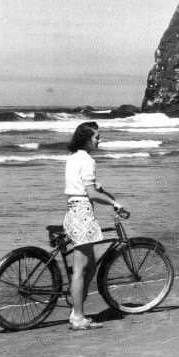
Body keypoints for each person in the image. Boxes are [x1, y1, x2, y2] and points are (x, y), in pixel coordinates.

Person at [63, 121, 123, 330]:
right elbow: (91, 195)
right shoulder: (88, 160)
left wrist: (96, 186)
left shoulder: (72, 158)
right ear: (86, 139)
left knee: (90, 266)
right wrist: (114, 202)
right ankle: (78, 317)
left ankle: (75, 308)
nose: (99, 140)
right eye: (97, 137)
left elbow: (81, 185)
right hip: (83, 213)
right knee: (81, 269)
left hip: (73, 210)